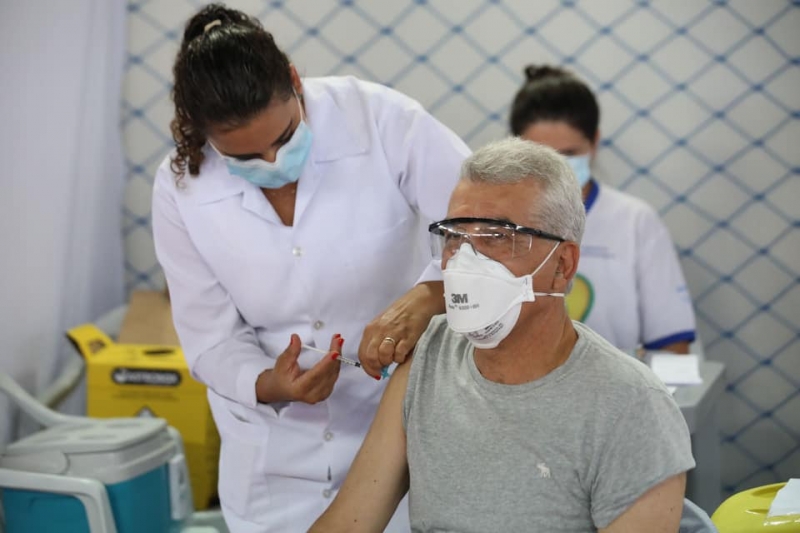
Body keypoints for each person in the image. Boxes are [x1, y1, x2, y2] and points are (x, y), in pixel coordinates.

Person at [151, 4, 470, 532]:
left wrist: (431, 295)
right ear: (203, 135)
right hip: (274, 463)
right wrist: (272, 383)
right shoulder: (181, 185)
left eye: (283, 139)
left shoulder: (381, 121)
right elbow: (209, 338)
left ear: (295, 82)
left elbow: (486, 226)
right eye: (246, 160)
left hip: (399, 432)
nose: (274, 166)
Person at [310, 138, 695, 533]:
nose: (464, 260)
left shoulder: (630, 408)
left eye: (496, 237)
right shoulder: (427, 360)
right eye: (455, 237)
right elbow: (348, 523)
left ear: (562, 265)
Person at [510, 65, 696, 355]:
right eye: (541, 154)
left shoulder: (635, 221)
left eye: (569, 154)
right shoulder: (496, 224)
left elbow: (672, 343)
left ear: (594, 142)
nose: (556, 166)